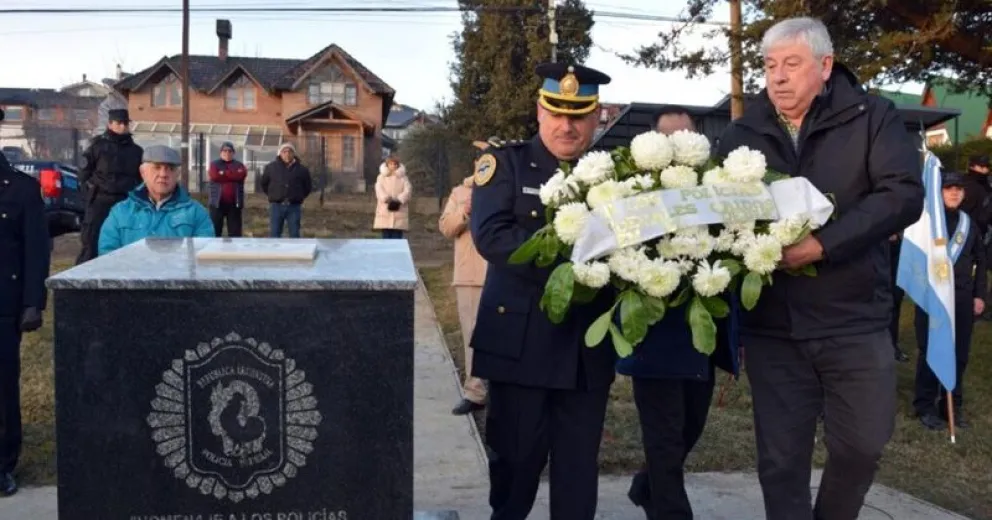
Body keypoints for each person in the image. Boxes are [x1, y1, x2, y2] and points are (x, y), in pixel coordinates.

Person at [714, 17, 924, 520]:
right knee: (781, 462)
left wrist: (823, 245)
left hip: (853, 319)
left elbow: (902, 194)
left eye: (791, 64)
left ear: (825, 66)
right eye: (769, 66)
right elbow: (718, 211)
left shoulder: (873, 117)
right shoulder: (742, 132)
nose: (778, 77)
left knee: (862, 446)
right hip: (775, 329)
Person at [469, 62, 615, 520]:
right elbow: (492, 237)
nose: (566, 126)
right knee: (515, 471)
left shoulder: (613, 175)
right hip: (521, 345)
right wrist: (577, 265)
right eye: (557, 113)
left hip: (585, 350)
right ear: (539, 111)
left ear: (597, 117)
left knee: (577, 477)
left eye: (579, 115)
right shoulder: (504, 164)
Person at [623, 106, 741, 520]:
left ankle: (645, 486)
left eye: (685, 137)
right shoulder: (632, 193)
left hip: (699, 337)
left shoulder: (714, 187)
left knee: (690, 428)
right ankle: (671, 511)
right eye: (667, 139)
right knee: (664, 438)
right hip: (655, 337)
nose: (677, 147)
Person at [912, 171, 985, 430]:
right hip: (932, 297)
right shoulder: (927, 223)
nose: (954, 192)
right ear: (939, 192)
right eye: (948, 188)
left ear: (964, 193)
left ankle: (951, 405)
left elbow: (981, 260)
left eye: (958, 189)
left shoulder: (969, 224)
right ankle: (925, 405)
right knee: (931, 350)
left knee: (959, 354)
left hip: (963, 298)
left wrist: (979, 295)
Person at [0, 140, 50, 496]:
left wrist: (34, 302)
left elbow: (36, 247)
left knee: (2, 388)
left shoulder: (21, 188)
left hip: (4, 302)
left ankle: (3, 465)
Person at [439, 149, 489, 415]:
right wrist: (465, 212)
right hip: (471, 274)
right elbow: (446, 228)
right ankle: (475, 392)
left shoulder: (508, 188)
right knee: (472, 335)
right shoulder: (460, 192)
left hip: (505, 273)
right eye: (481, 159)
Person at [98, 145, 214, 255]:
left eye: (170, 169)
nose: (163, 174)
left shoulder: (196, 213)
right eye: (157, 167)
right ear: (143, 173)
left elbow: (203, 255)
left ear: (177, 175)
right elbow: (108, 254)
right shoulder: (120, 213)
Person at [76, 108, 144, 264]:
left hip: (126, 202)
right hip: (100, 201)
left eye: (125, 123)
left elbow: (141, 179)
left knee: (125, 245)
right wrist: (90, 196)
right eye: (119, 123)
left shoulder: (136, 151)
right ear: (110, 124)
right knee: (91, 244)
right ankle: (82, 283)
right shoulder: (97, 147)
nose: (123, 127)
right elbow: (83, 174)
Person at [260, 143, 312, 238]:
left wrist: (298, 196)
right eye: (284, 151)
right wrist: (274, 194)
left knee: (294, 234)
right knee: (275, 234)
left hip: (294, 207)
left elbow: (307, 187)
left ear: (294, 154)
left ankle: (295, 253)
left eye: (290, 151)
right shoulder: (271, 168)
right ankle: (275, 253)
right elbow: (264, 184)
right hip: (276, 206)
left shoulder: (302, 170)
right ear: (280, 153)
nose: (287, 154)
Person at [207, 141, 247, 237]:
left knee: (235, 233)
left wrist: (223, 174)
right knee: (215, 231)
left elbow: (240, 175)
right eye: (225, 151)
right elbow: (215, 176)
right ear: (221, 152)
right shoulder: (214, 164)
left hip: (234, 204)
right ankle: (214, 251)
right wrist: (232, 174)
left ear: (233, 153)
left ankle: (234, 251)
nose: (227, 153)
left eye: (230, 151)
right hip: (217, 203)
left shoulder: (239, 165)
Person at [373, 157, 413, 239]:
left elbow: (408, 190)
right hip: (385, 210)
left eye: (395, 164)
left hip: (399, 211)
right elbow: (378, 189)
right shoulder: (381, 177)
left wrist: (399, 199)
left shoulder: (404, 178)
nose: (393, 166)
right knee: (386, 236)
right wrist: (386, 198)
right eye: (391, 164)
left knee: (397, 236)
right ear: (387, 165)